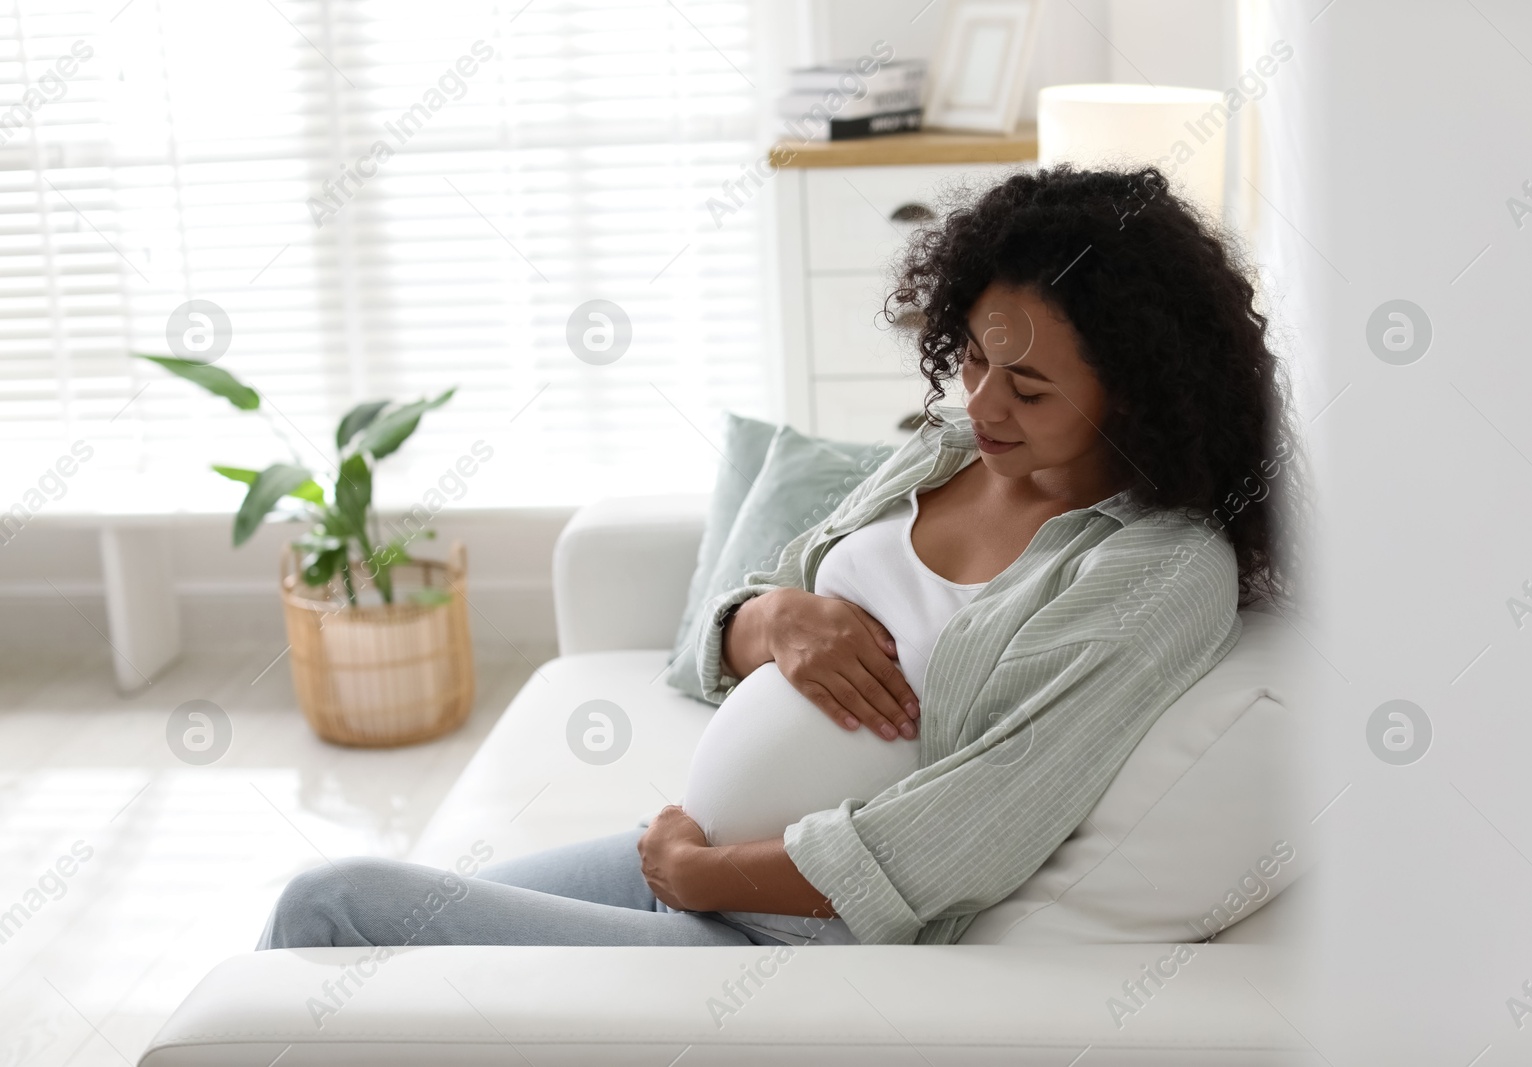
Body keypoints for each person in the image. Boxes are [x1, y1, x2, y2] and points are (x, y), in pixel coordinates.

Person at [256, 164, 1301, 952]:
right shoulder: (941, 454)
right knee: (369, 939)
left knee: (332, 908)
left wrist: (705, 873)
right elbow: (731, 619)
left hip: (783, 930)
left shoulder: (1155, 572)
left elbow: (977, 827)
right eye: (973, 359)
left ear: (1140, 389)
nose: (980, 404)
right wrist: (773, 620)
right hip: (692, 859)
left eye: (1026, 388)